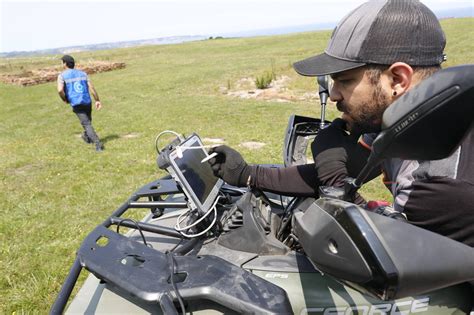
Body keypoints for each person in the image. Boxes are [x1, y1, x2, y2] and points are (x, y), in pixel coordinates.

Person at [208, 0, 474, 247]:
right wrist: (247, 174)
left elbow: (390, 257)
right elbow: (354, 169)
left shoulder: (441, 185)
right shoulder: (408, 122)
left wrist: (334, 179)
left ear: (397, 80)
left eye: (345, 80)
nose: (333, 94)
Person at [57, 55, 104, 152]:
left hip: (76, 103)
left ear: (65, 63)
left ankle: (97, 143)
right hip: (87, 101)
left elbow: (60, 90)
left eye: (62, 62)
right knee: (88, 123)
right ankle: (86, 136)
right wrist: (97, 100)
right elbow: (92, 88)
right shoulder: (83, 74)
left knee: (87, 124)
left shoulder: (62, 76)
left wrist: (65, 99)